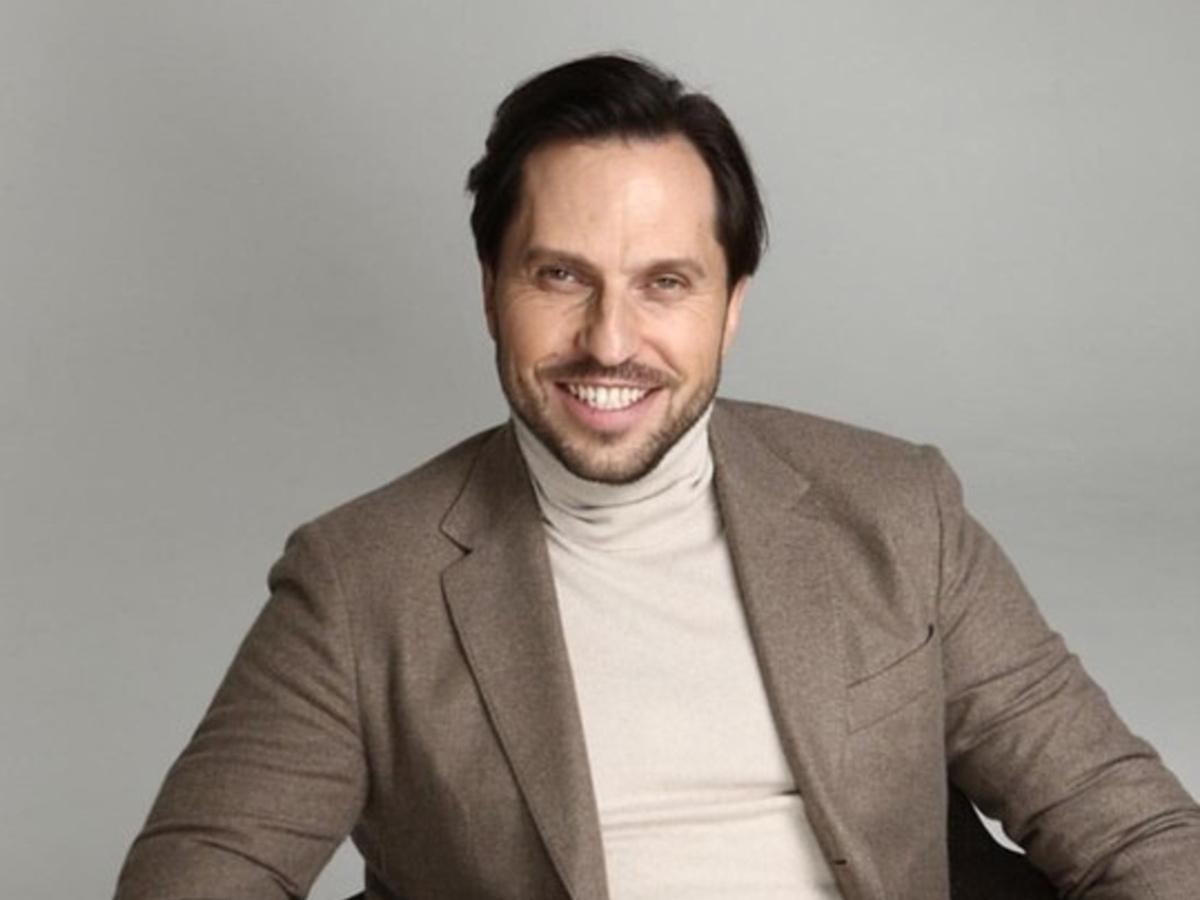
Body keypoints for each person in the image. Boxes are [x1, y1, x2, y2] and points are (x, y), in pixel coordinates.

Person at [114, 53, 1200, 900]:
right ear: (491, 289)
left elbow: (1134, 830)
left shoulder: (898, 510)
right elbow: (196, 876)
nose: (609, 340)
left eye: (665, 283)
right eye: (560, 276)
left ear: (730, 307)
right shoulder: (358, 585)